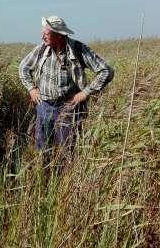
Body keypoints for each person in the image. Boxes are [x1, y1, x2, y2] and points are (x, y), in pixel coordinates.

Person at [19, 16, 114, 158]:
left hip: (68, 107)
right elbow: (23, 68)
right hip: (43, 106)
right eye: (42, 32)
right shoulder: (41, 49)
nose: (42, 36)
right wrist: (31, 88)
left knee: (67, 150)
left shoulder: (78, 49)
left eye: (47, 33)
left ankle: (65, 176)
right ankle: (43, 176)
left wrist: (85, 93)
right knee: (42, 150)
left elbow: (106, 71)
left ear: (59, 35)